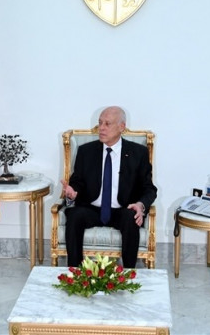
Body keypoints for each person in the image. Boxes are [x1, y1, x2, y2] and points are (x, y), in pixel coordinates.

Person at [61, 106, 157, 268]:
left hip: (122, 209)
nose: (101, 128)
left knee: (131, 217)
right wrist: (73, 192)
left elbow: (149, 188)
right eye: (100, 123)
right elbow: (77, 182)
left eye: (107, 124)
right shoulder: (86, 151)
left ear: (121, 127)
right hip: (92, 209)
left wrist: (140, 205)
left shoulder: (138, 153)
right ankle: (75, 271)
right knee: (75, 216)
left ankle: (128, 273)